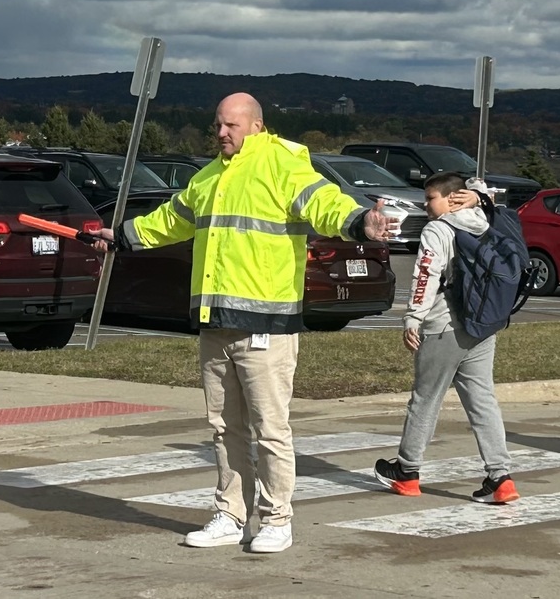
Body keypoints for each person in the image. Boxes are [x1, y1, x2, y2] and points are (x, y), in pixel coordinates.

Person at [94, 92, 397, 552]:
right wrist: (121, 237)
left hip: (267, 327)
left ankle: (277, 520)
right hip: (216, 322)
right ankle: (231, 515)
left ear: (256, 125)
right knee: (223, 428)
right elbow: (172, 219)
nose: (221, 134)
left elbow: (325, 204)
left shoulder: (283, 164)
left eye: (231, 126)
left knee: (270, 428)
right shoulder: (210, 176)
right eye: (217, 125)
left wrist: (360, 223)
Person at [374, 172, 520, 504]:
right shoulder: (483, 221)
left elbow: (426, 274)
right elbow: (488, 196)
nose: (426, 206)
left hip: (443, 326)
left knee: (425, 399)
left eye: (430, 199)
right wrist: (479, 196)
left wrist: (413, 318)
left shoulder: (438, 230)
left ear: (451, 198)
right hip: (481, 326)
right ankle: (500, 478)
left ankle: (407, 472)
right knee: (482, 401)